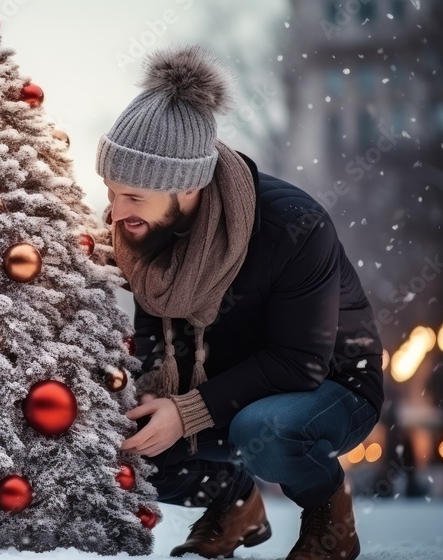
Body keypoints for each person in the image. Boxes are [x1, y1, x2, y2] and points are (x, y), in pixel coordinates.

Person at [96, 46, 384, 560]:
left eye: (133, 196)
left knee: (265, 431)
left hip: (330, 386)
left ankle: (327, 512)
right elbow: (156, 343)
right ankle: (234, 504)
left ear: (188, 184)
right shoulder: (143, 233)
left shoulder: (292, 226)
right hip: (224, 388)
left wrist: (186, 414)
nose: (115, 212)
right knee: (117, 439)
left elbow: (298, 364)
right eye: (112, 191)